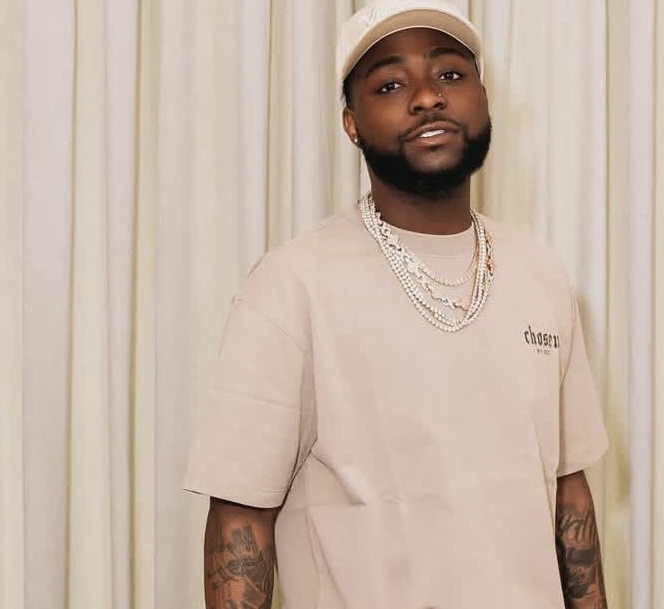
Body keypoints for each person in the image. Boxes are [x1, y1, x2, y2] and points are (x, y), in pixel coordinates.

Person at [182, 1, 610, 607]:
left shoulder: (541, 275)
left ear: (484, 98)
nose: (428, 96)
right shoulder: (291, 285)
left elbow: (570, 494)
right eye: (389, 84)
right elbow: (239, 520)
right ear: (351, 124)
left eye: (450, 74)